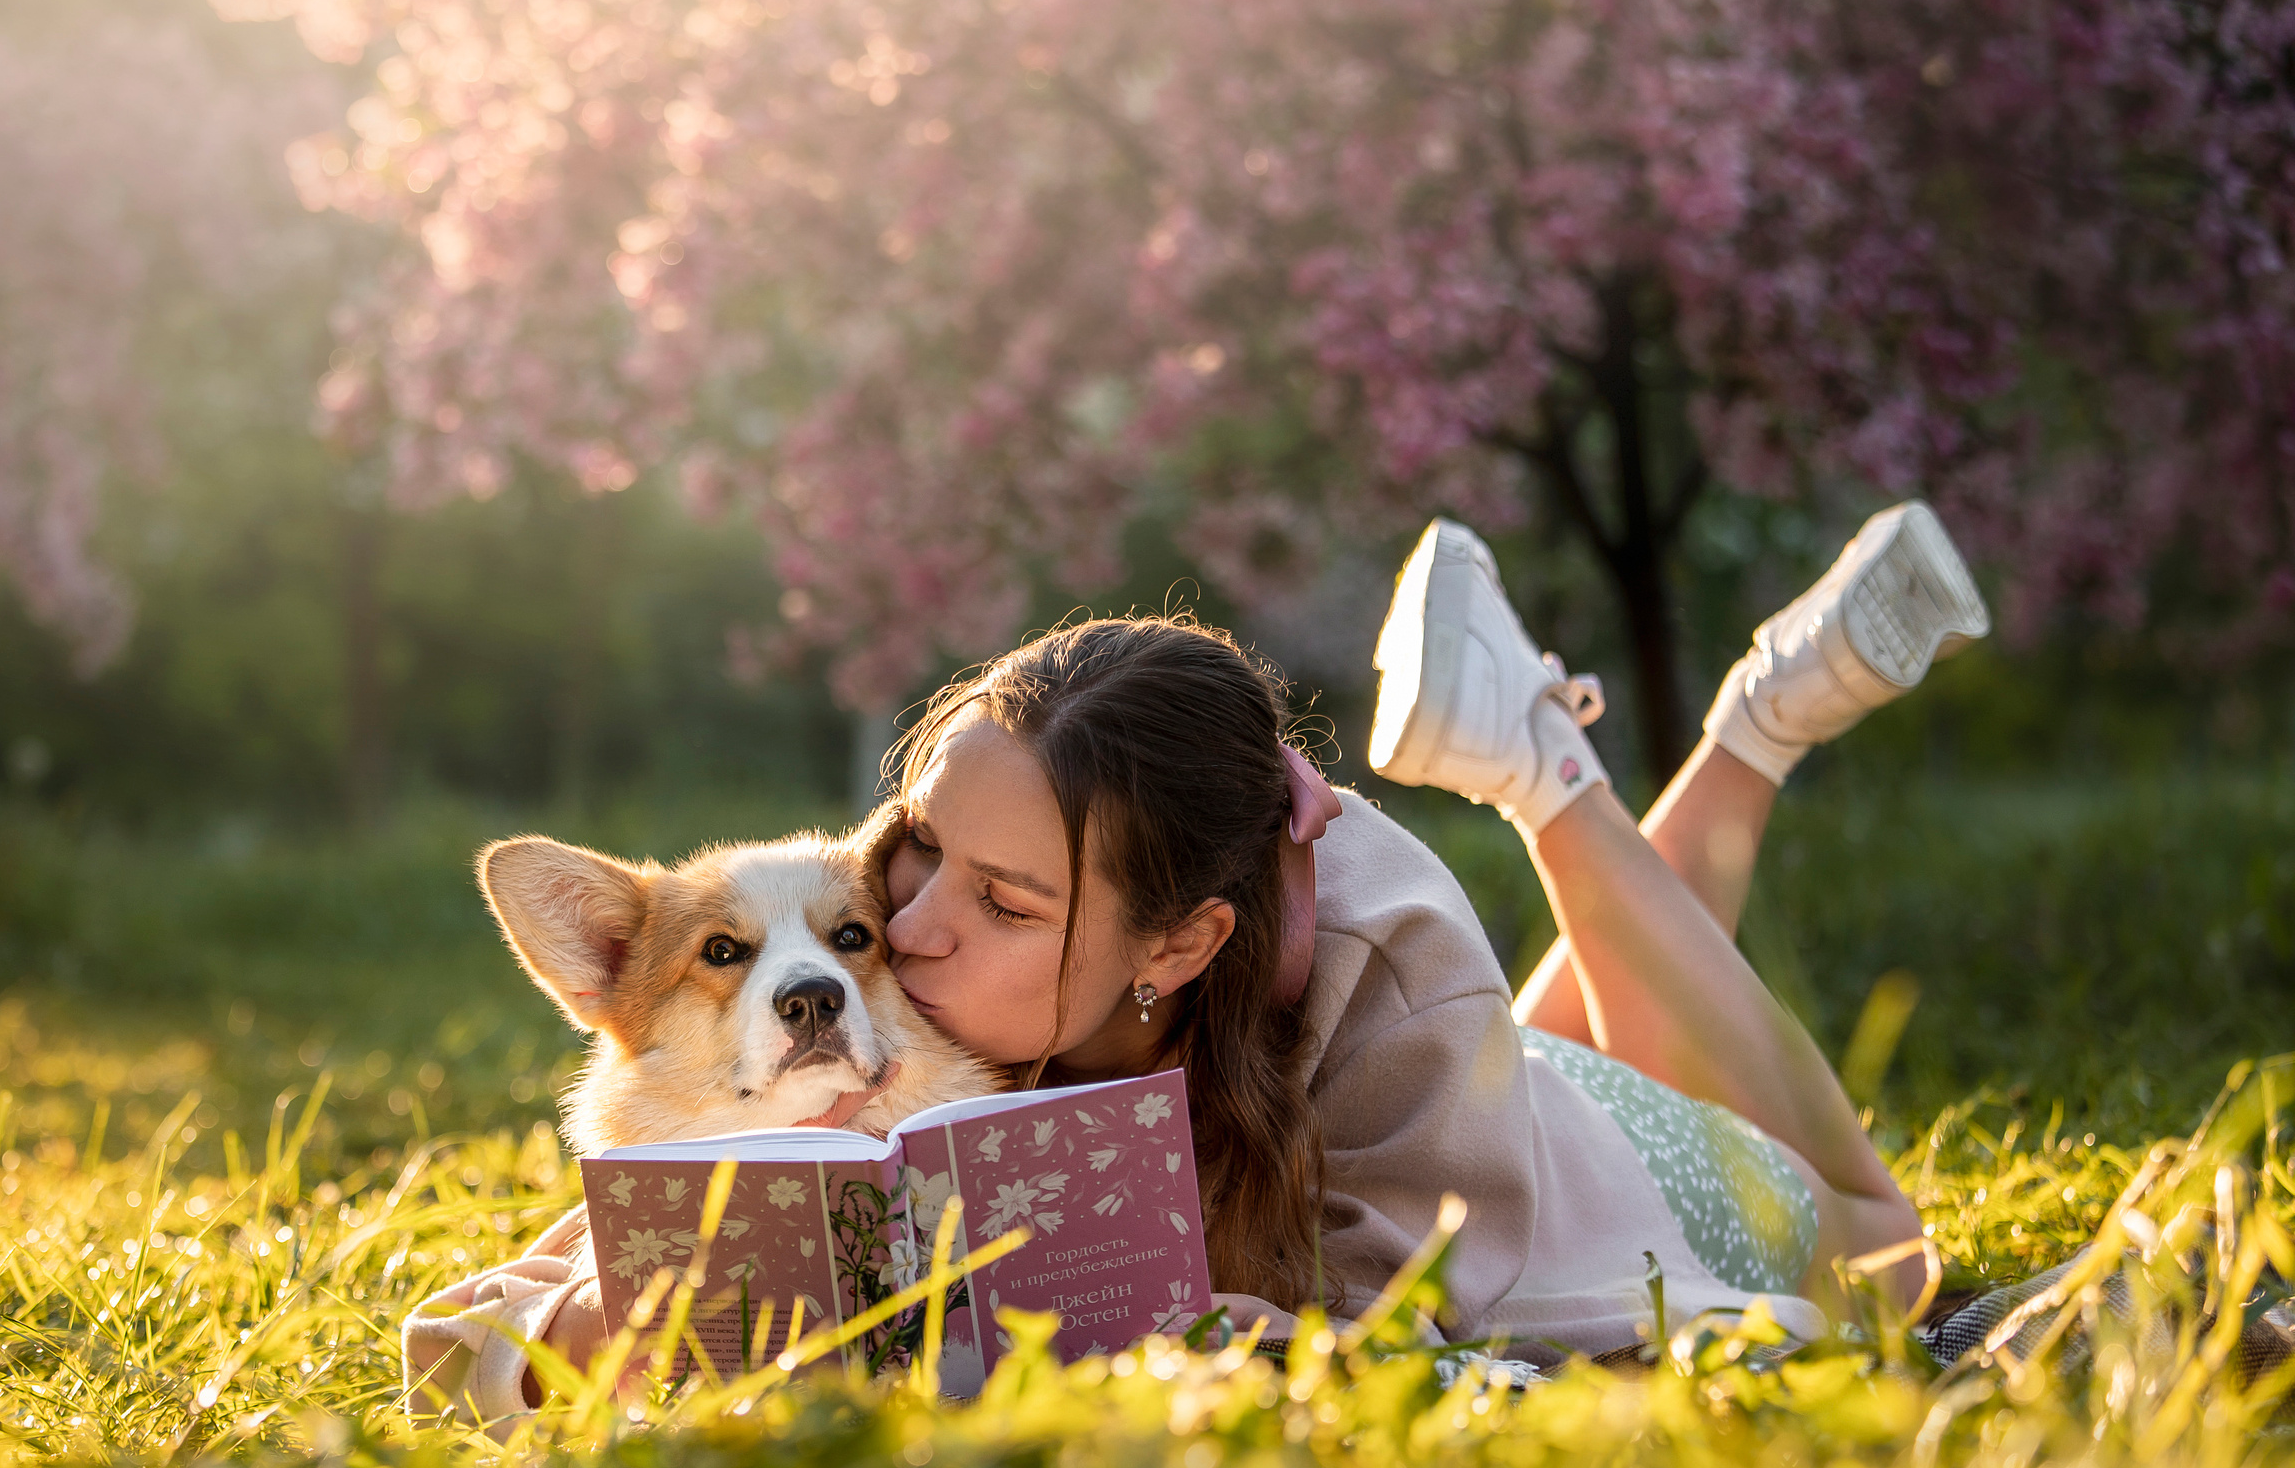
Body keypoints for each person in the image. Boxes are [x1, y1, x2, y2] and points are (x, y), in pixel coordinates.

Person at [406, 502, 1989, 1416]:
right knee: (1551, 1046)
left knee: (1883, 1249)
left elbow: (1398, 1333)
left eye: (1006, 905)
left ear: (1174, 945)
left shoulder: (1384, 970)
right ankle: (1752, 720)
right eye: (920, 854)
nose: (920, 933)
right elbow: (516, 1301)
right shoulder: (886, 968)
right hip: (1500, 1093)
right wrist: (563, 1337)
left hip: (1601, 1172)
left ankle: (1560, 767)